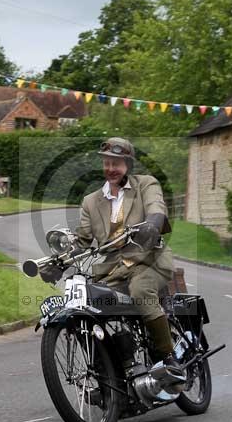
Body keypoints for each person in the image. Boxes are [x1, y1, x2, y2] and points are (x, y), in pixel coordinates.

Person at [73, 138, 182, 374]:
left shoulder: (146, 185)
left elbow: (157, 209)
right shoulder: (91, 201)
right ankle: (109, 371)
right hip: (115, 269)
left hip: (149, 260)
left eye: (117, 163)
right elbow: (82, 240)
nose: (110, 168)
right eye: (106, 163)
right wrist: (59, 258)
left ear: (128, 165)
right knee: (86, 301)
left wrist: (152, 224)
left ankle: (169, 357)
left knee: (141, 291)